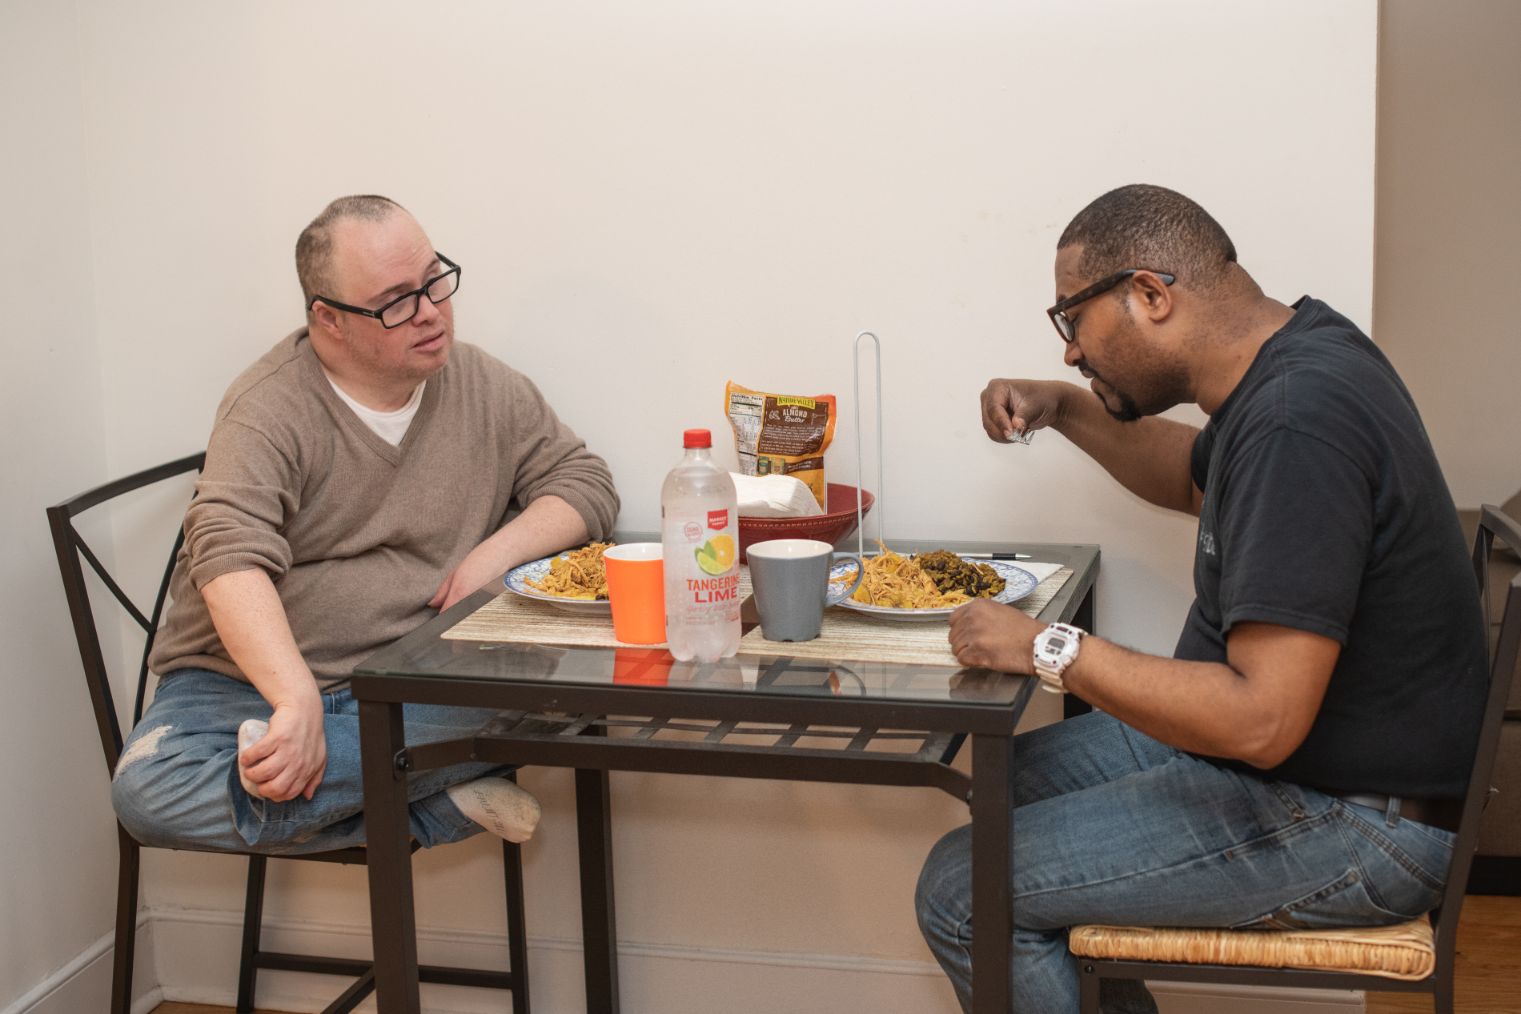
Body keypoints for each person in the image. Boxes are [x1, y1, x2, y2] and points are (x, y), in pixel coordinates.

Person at [915, 184, 1488, 1013]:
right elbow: (1194, 475)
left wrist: (1047, 647)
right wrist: (1068, 407)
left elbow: (1260, 720)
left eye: (1070, 320)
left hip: (1358, 821)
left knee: (961, 890)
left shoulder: (1298, 421)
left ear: (1148, 295)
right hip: (1312, 769)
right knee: (1003, 779)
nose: (1071, 351)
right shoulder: (1298, 353)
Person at [111, 194, 619, 856]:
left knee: (573, 694)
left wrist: (494, 554)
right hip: (239, 688)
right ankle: (434, 804)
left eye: (435, 280)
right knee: (150, 792)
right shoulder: (267, 408)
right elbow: (227, 556)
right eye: (397, 301)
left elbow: (584, 482)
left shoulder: (480, 384)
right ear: (329, 319)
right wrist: (294, 704)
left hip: (412, 681)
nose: (432, 312)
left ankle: (365, 778)